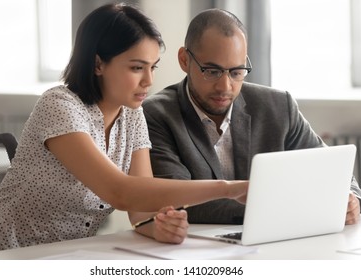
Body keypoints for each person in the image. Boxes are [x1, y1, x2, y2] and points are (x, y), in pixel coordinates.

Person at [0, 3, 249, 255]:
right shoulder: (59, 106)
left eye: (153, 67)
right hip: (1, 255)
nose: (148, 80)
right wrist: (227, 188)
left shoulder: (133, 114)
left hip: (66, 256)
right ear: (98, 64)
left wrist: (157, 226)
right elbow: (120, 191)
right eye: (137, 67)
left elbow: (140, 207)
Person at [142, 8, 361, 225]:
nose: (225, 86)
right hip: (194, 249)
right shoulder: (156, 115)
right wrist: (298, 205)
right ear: (184, 60)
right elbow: (178, 202)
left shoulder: (278, 106)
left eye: (236, 72)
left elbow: (332, 172)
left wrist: (350, 199)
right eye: (212, 71)